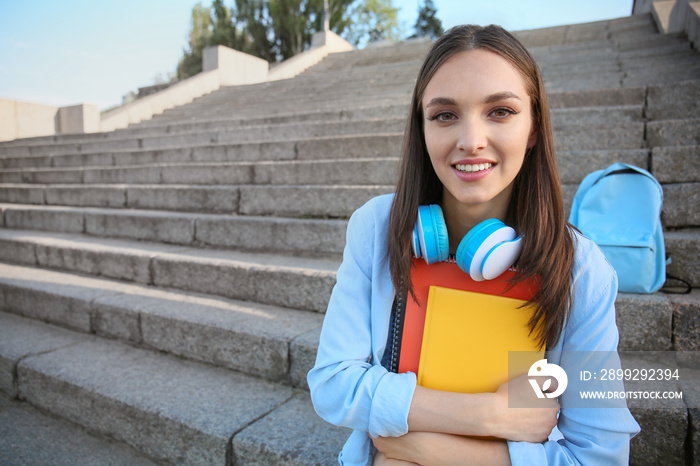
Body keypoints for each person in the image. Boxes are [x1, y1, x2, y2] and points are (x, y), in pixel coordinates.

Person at [307, 24, 640, 465]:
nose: (471, 141)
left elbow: (602, 457)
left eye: (500, 111)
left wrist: (429, 446)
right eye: (445, 115)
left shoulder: (582, 270)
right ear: (422, 130)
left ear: (535, 127)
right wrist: (490, 415)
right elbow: (333, 384)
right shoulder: (377, 227)